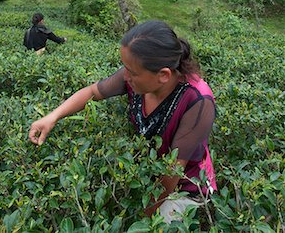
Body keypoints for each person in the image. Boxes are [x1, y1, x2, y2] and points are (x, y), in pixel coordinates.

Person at [29, 20, 216, 223]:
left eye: (132, 72)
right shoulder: (134, 76)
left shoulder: (198, 100)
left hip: (185, 187)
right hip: (148, 171)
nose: (125, 76)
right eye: (125, 68)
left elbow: (173, 172)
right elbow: (93, 92)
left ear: (163, 75)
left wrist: (141, 220)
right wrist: (52, 117)